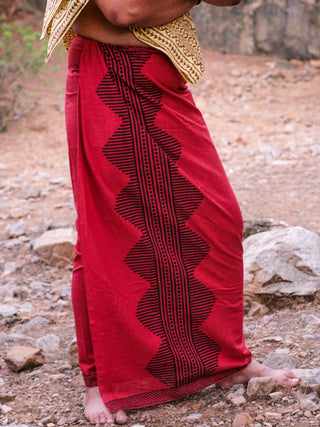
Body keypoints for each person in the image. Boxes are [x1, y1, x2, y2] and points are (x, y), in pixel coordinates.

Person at [42, 0, 299, 424]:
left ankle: (227, 360)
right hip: (111, 78)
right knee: (107, 231)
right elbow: (124, 10)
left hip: (159, 77)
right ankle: (101, 383)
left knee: (215, 217)